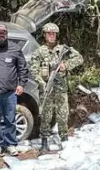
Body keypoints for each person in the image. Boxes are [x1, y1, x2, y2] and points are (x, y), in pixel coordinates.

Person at [29, 22, 84, 153]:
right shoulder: (40, 51)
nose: (52, 36)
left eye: (54, 33)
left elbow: (80, 58)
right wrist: (41, 83)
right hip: (46, 88)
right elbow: (33, 69)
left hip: (61, 88)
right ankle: (44, 142)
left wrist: (66, 64)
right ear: (44, 35)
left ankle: (64, 139)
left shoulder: (63, 49)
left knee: (63, 114)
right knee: (45, 115)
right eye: (49, 33)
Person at [0, 23, 29, 157]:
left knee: (10, 120)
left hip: (10, 92)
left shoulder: (15, 48)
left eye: (4, 33)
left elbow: (23, 68)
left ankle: (11, 145)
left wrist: (21, 84)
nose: (2, 35)